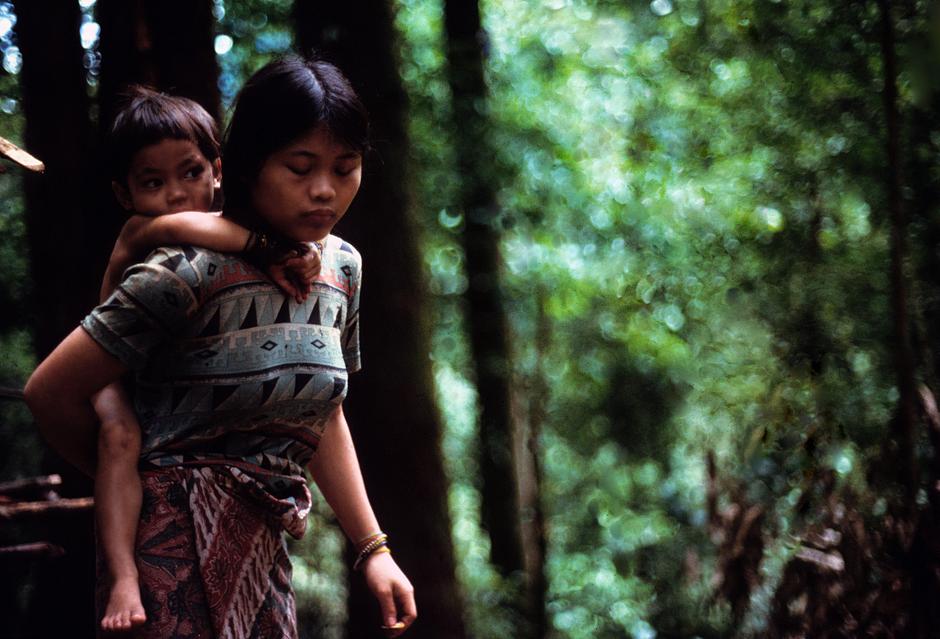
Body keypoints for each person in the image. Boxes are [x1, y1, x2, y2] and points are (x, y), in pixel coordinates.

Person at [25, 56, 416, 638]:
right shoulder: (186, 270)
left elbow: (321, 412)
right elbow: (50, 393)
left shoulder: (341, 268)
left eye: (346, 166)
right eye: (300, 167)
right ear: (247, 167)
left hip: (263, 551)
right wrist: (145, 484)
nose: (324, 190)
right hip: (167, 559)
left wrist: (373, 548)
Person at [92, 86, 320, 632]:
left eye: (190, 173)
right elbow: (188, 227)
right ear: (124, 194)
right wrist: (277, 248)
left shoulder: (221, 232)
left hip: (179, 407)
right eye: (153, 182)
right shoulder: (146, 229)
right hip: (111, 373)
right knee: (121, 439)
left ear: (217, 169)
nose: (176, 194)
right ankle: (124, 576)